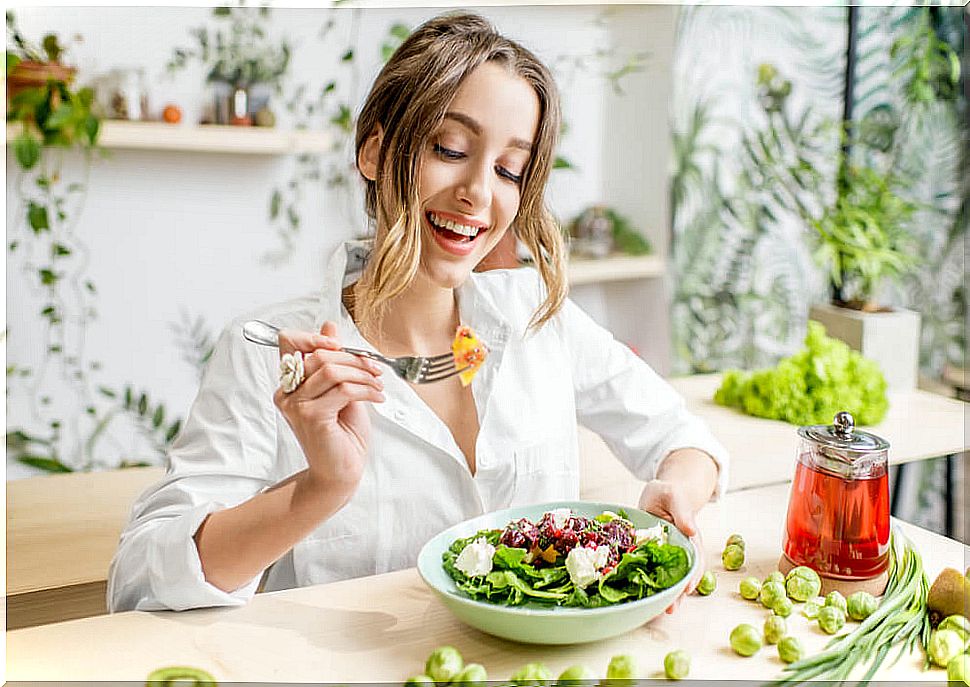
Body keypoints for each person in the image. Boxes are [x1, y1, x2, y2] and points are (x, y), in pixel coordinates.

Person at [107, 11, 728, 613]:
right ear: (375, 152)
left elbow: (682, 438)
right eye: (450, 148)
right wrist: (319, 488)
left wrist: (679, 490)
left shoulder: (537, 317)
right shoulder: (270, 352)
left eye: (510, 169)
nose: (480, 193)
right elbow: (140, 583)